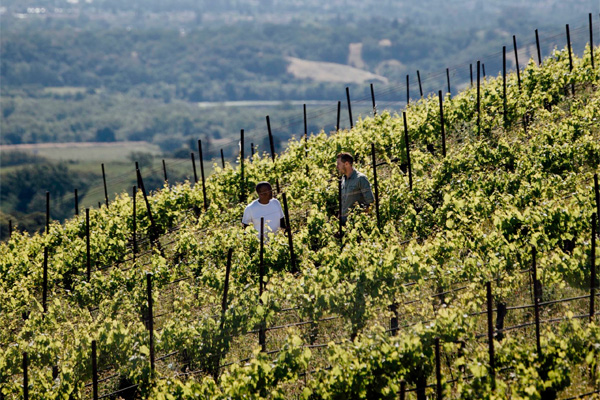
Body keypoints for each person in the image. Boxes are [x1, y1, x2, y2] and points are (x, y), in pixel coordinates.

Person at [336, 152, 374, 224]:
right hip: (343, 224)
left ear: (346, 164)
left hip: (355, 223)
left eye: (339, 164)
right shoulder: (343, 180)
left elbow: (370, 202)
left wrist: (360, 220)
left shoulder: (360, 178)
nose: (337, 167)